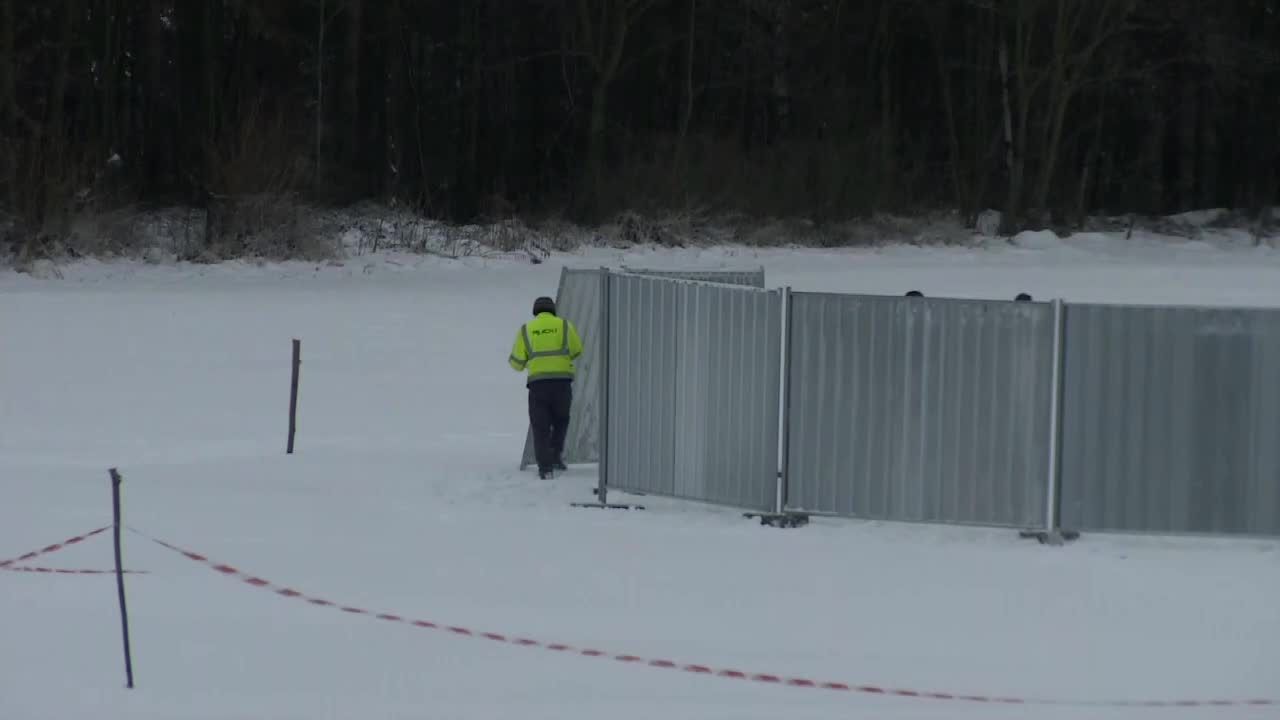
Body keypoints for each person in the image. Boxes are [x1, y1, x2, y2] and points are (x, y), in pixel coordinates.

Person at [509, 296, 584, 479]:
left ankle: (545, 469)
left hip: (538, 385)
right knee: (561, 420)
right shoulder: (565, 326)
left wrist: (531, 362)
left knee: (540, 426)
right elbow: (577, 350)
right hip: (562, 383)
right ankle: (556, 457)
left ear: (535, 311)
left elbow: (517, 364)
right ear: (553, 310)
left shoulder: (526, 329)